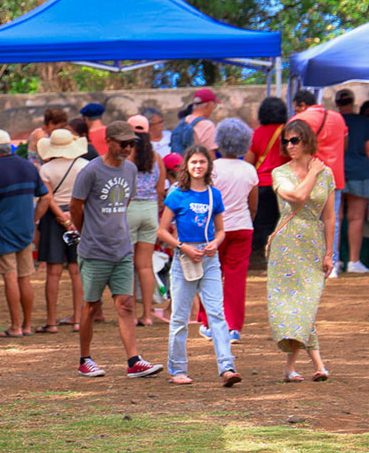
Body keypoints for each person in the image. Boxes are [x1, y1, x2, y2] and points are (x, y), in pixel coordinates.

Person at [68, 120, 163, 378]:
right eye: (123, 143)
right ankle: (85, 359)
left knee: (126, 304)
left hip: (122, 249)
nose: (127, 148)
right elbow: (76, 205)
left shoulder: (130, 169)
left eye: (131, 143)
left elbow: (126, 201)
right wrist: (87, 231)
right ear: (108, 142)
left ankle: (134, 360)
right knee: (91, 305)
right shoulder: (90, 171)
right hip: (94, 251)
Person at [157, 146, 242, 387]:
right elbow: (162, 231)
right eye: (194, 162)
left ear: (208, 166)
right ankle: (177, 369)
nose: (198, 166)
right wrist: (182, 246)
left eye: (202, 162)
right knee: (180, 316)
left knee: (216, 313)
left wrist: (215, 243)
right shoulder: (177, 194)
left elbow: (221, 230)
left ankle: (227, 367)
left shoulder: (214, 195)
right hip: (184, 259)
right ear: (187, 165)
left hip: (209, 258)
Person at [267, 119, 335, 382]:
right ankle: (316, 365)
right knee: (297, 307)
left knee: (306, 305)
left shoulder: (327, 174)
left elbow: (329, 217)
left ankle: (294, 367)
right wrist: (313, 173)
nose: (289, 145)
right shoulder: (280, 173)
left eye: (294, 140)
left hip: (313, 245)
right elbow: (297, 197)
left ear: (307, 140)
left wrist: (329, 253)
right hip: (286, 247)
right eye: (286, 141)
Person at [0, 130, 48, 338]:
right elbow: (45, 197)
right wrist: (34, 220)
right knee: (25, 277)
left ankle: (15, 326)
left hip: (2, 231)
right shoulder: (29, 167)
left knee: (10, 277)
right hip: (25, 230)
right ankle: (27, 325)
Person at [200, 119, 258, 342]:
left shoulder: (212, 168)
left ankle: (208, 322)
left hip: (215, 229)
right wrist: (248, 219)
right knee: (236, 278)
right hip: (242, 227)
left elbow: (206, 200)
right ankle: (233, 327)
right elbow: (253, 204)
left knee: (210, 274)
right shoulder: (249, 170)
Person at [34, 128, 88, 333]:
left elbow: (47, 197)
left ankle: (51, 321)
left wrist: (62, 218)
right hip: (78, 217)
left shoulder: (46, 169)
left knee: (53, 271)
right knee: (76, 270)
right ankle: (78, 319)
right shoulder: (84, 166)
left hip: (53, 219)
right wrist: (73, 218)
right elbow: (87, 195)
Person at [293, 88, 346, 276]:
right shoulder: (338, 118)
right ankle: (331, 264)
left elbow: (293, 150)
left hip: (309, 176)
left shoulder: (299, 120)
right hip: (335, 175)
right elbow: (345, 143)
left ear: (302, 105)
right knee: (331, 220)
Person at [126, 115, 167, 326]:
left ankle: (131, 314)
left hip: (130, 209)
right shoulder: (156, 157)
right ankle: (148, 315)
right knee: (145, 265)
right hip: (150, 210)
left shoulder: (126, 157)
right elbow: (160, 189)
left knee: (129, 265)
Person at [335, 88, 369, 273]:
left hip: (337, 172)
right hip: (360, 172)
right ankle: (354, 261)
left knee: (335, 217)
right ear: (352, 102)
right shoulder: (363, 122)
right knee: (356, 218)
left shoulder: (333, 120)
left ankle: (334, 259)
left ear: (337, 104)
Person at [246, 96, 290, 259]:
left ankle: (262, 255)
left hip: (261, 184)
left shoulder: (256, 133)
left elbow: (248, 162)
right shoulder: (288, 132)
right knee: (281, 221)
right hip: (284, 184)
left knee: (262, 222)